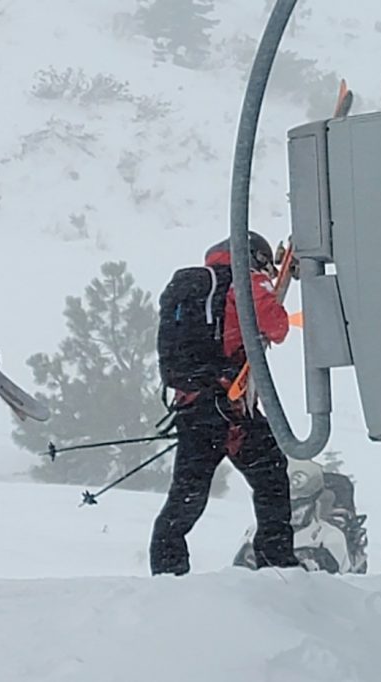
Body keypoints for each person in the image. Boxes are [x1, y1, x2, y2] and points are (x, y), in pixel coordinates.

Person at [150, 233, 299, 576]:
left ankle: (167, 571)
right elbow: (275, 326)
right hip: (227, 405)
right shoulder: (244, 281)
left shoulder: (197, 288)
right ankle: (276, 561)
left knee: (188, 493)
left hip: (194, 405)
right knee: (272, 475)